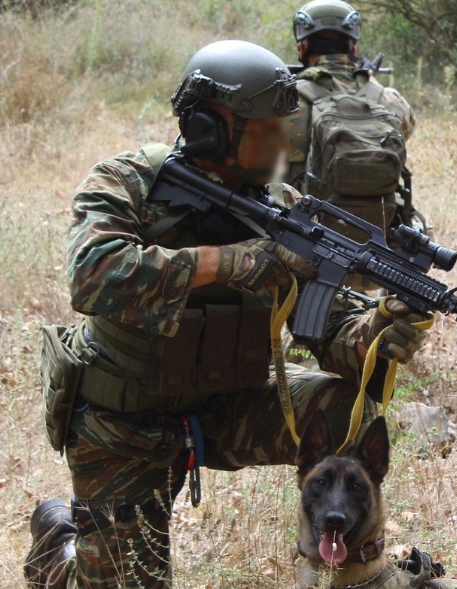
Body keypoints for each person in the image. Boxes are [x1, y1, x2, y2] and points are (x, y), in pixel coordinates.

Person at [25, 39, 431, 589]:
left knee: (342, 413)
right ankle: (60, 548)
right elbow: (93, 274)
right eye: (264, 128)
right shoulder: (127, 183)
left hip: (229, 405)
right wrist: (228, 262)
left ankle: (343, 571)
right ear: (210, 128)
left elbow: (332, 329)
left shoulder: (281, 207)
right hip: (125, 420)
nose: (283, 141)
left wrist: (378, 331)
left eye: (283, 125)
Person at [284, 0, 425, 243]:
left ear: (303, 47)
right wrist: (371, 83)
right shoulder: (388, 100)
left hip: (303, 244)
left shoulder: (286, 101)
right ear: (353, 48)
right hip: (379, 247)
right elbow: (406, 127)